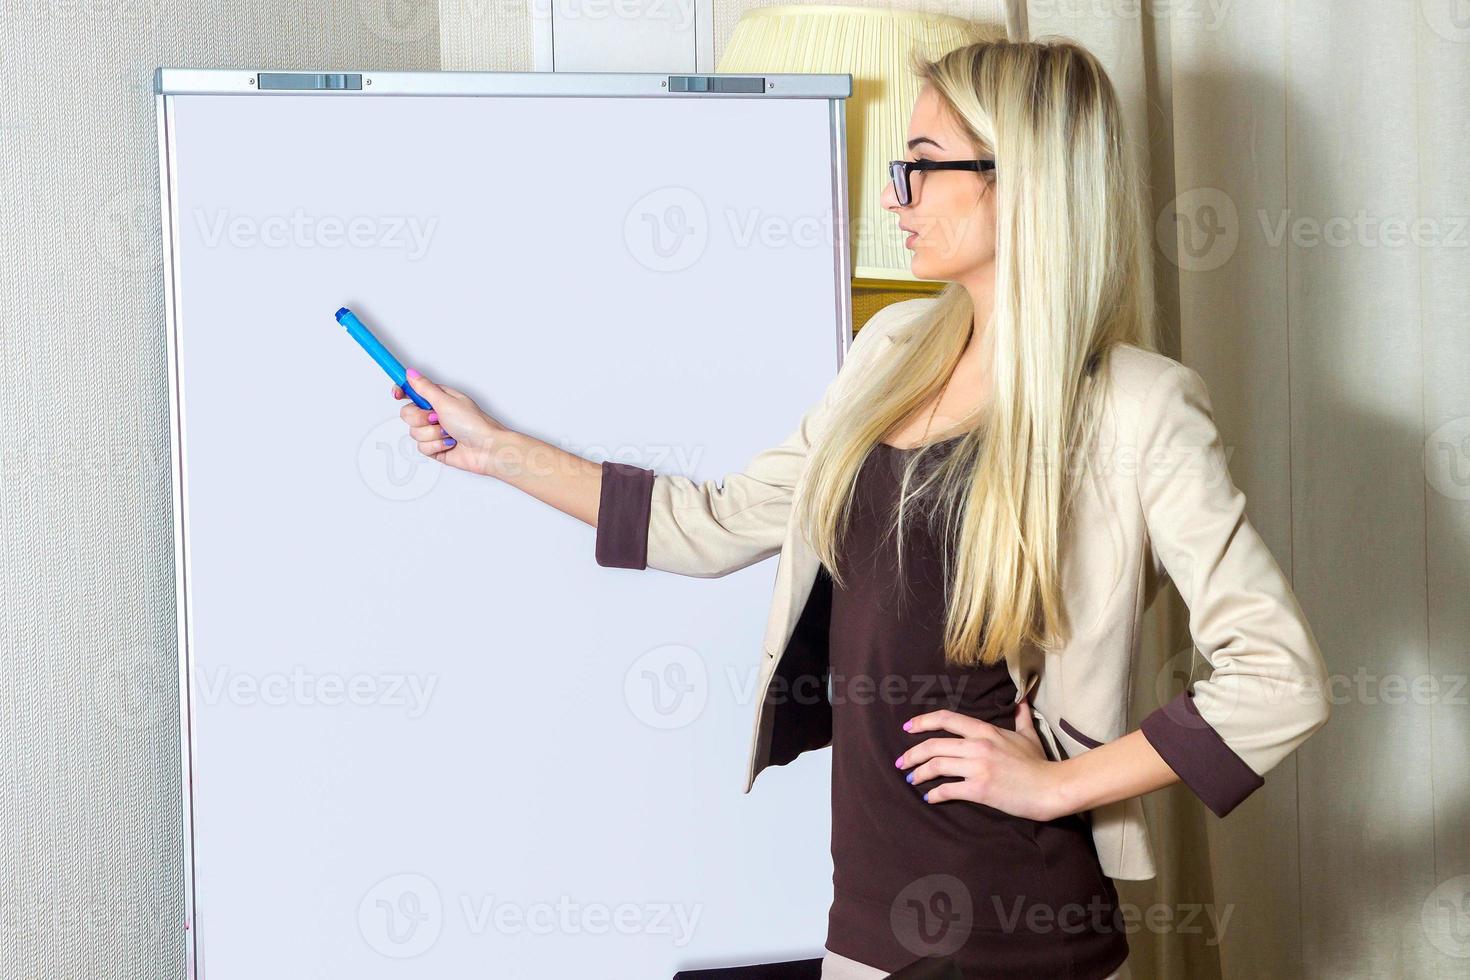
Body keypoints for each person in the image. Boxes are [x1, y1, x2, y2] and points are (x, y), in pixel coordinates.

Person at [387, 36, 1330, 980]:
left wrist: (1055, 787)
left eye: (921, 169)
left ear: (1023, 179)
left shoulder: (1138, 405)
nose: (892, 199)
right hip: (868, 924)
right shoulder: (892, 349)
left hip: (1024, 934)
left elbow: (1278, 677)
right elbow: (710, 522)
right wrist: (497, 452)